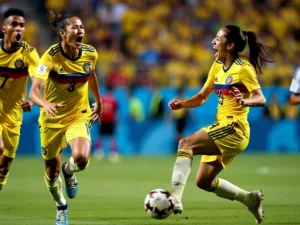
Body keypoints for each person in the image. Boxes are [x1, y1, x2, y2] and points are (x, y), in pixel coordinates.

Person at [168, 25, 272, 224]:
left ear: (230, 45)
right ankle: (250, 198)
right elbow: (201, 97)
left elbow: (261, 99)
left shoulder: (243, 69)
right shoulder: (216, 66)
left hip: (235, 129)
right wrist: (183, 103)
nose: (213, 42)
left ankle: (174, 197)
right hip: (222, 128)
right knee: (203, 182)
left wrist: (245, 101)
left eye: (218, 38)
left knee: (185, 144)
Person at [29, 11, 102, 225]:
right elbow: (33, 92)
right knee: (51, 177)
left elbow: (92, 75)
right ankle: (61, 206)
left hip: (77, 115)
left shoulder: (90, 53)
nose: (80, 31)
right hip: (51, 119)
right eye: (75, 27)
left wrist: (99, 100)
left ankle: (69, 171)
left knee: (81, 158)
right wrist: (45, 103)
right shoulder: (50, 56)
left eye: (81, 27)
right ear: (63, 33)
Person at [0, 8, 39, 191]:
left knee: (5, 164)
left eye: (22, 25)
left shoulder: (29, 54)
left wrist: (32, 99)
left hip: (13, 116)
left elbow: (38, 82)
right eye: (14, 24)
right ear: (4, 28)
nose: (18, 29)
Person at [94, 84, 118, 162]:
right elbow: (115, 111)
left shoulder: (102, 98)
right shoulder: (113, 99)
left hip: (103, 119)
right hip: (111, 120)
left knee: (100, 136)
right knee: (112, 137)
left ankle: (99, 152)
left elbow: (98, 109)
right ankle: (113, 153)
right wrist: (116, 120)